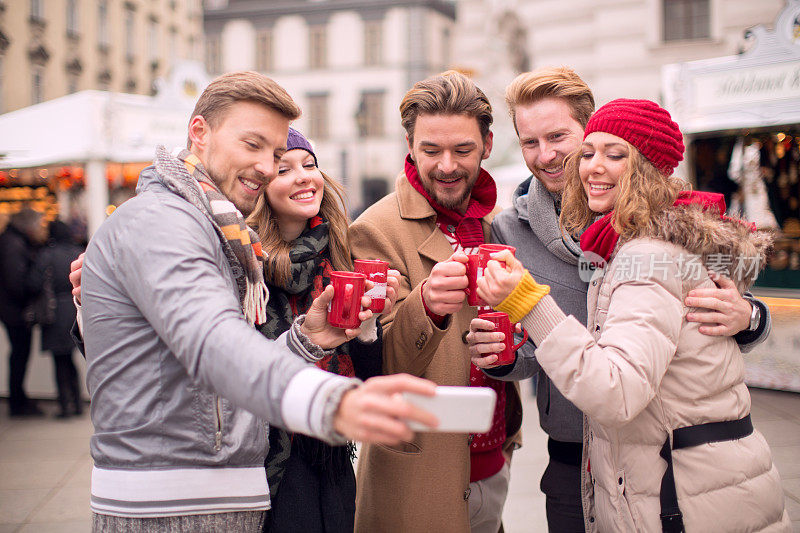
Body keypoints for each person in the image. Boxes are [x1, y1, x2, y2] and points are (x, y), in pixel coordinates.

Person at [80, 71, 437, 532]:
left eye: (274, 153)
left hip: (218, 498)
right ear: (199, 132)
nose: (268, 167)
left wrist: (309, 340)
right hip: (171, 506)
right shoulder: (163, 220)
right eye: (254, 146)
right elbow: (213, 344)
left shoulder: (223, 232)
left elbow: (220, 394)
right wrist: (333, 401)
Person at [467, 66, 772, 532]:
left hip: (662, 456)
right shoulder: (512, 231)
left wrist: (748, 315)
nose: (546, 156)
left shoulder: (667, 230)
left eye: (559, 137)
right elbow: (538, 346)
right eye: (530, 142)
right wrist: (504, 359)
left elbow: (718, 316)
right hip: (577, 452)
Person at [349, 70, 522, 533]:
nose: (447, 165)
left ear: (487, 145)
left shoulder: (496, 225)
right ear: (409, 145)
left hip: (493, 462)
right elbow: (377, 363)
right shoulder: (375, 228)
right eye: (431, 150)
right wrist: (424, 305)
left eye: (463, 150)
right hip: (419, 474)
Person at [251, 128, 398, 532]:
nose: (303, 176)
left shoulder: (338, 254)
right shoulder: (245, 264)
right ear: (260, 184)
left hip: (331, 453)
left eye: (310, 164)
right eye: (284, 169)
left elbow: (370, 375)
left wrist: (368, 322)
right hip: (272, 458)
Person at [0, 208, 48, 417]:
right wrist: (34, 284)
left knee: (19, 355)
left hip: (12, 309)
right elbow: (16, 282)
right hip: (15, 311)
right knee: (20, 355)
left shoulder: (12, 241)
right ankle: (18, 402)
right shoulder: (14, 244)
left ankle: (18, 399)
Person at [36, 220, 84, 418]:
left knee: (60, 361)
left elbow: (33, 280)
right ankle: (78, 403)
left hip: (54, 312)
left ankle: (65, 405)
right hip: (73, 308)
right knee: (72, 358)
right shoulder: (77, 251)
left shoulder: (46, 255)